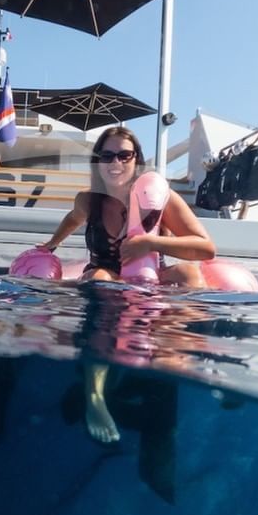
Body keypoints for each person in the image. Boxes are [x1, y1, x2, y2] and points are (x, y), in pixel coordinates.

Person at [38, 125, 216, 443]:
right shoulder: (89, 202)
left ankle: (194, 357)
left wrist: (152, 243)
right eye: (107, 155)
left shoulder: (160, 199)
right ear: (97, 161)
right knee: (101, 279)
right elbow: (72, 219)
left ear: (137, 160)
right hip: (104, 278)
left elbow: (206, 248)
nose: (115, 162)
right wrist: (51, 245)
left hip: (149, 278)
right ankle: (95, 396)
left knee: (189, 274)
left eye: (124, 155)